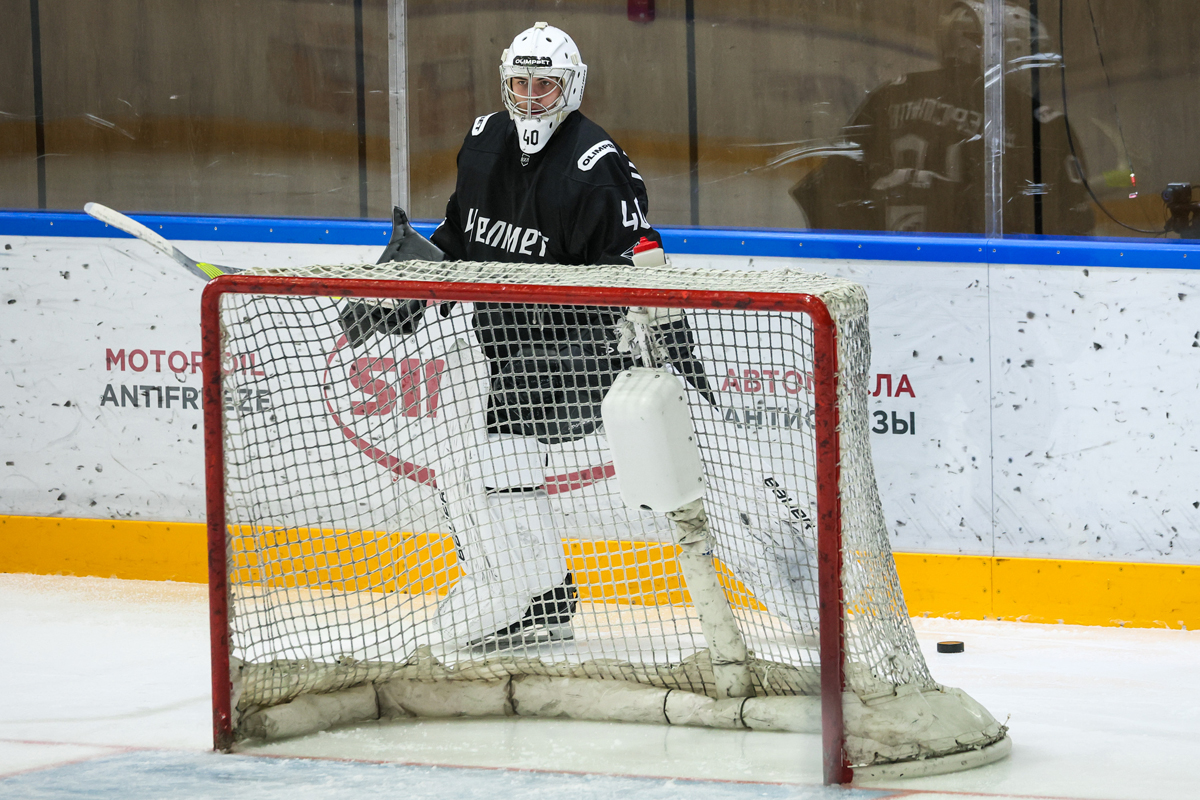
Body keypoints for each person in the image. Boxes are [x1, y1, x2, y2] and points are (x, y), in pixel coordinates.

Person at [791, 0, 1093, 236]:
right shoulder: (1041, 122)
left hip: (883, 260)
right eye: (1032, 54)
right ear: (1008, 49)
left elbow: (826, 192)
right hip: (976, 268)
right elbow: (1071, 224)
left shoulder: (892, 92)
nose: (1035, 69)